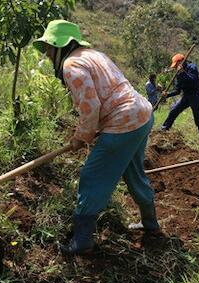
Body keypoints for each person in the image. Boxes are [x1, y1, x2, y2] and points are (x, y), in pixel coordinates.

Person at [33, 20, 160, 255]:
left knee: (92, 176)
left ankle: (82, 242)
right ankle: (150, 223)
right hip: (141, 113)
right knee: (133, 171)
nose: (49, 54)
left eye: (50, 48)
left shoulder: (71, 65)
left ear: (61, 45)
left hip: (123, 121)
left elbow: (90, 106)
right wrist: (86, 133)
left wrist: (82, 136)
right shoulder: (93, 54)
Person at [160, 54, 199, 144]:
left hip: (195, 96)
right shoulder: (178, 74)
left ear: (181, 62)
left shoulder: (192, 67)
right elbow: (178, 90)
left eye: (176, 65)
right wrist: (167, 94)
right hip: (186, 97)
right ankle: (164, 129)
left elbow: (193, 81)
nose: (175, 68)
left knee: (198, 118)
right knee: (174, 110)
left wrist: (182, 72)